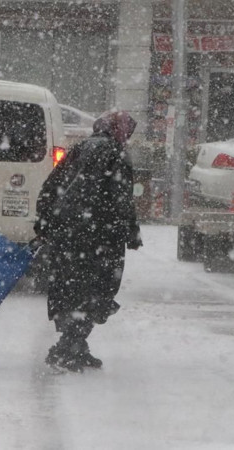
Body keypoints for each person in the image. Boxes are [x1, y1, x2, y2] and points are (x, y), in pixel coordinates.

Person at [34, 110, 143, 372]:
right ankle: (69, 348)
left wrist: (44, 220)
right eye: (126, 131)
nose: (127, 137)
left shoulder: (80, 148)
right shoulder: (116, 154)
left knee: (70, 288)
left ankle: (74, 344)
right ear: (118, 130)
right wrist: (131, 231)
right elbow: (121, 198)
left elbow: (51, 185)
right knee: (97, 290)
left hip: (66, 233)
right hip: (99, 236)